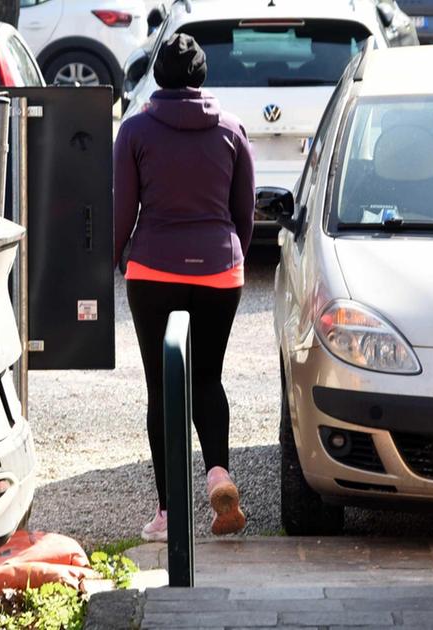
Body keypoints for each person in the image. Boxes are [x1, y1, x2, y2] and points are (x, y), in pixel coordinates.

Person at [114, 33, 255, 542]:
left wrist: (112, 262)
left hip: (153, 270)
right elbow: (245, 216)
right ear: (202, 76)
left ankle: (170, 514)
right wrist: (225, 256)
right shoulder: (233, 130)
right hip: (220, 272)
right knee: (207, 379)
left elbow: (122, 212)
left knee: (163, 389)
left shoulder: (134, 131)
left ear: (159, 75)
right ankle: (218, 472)